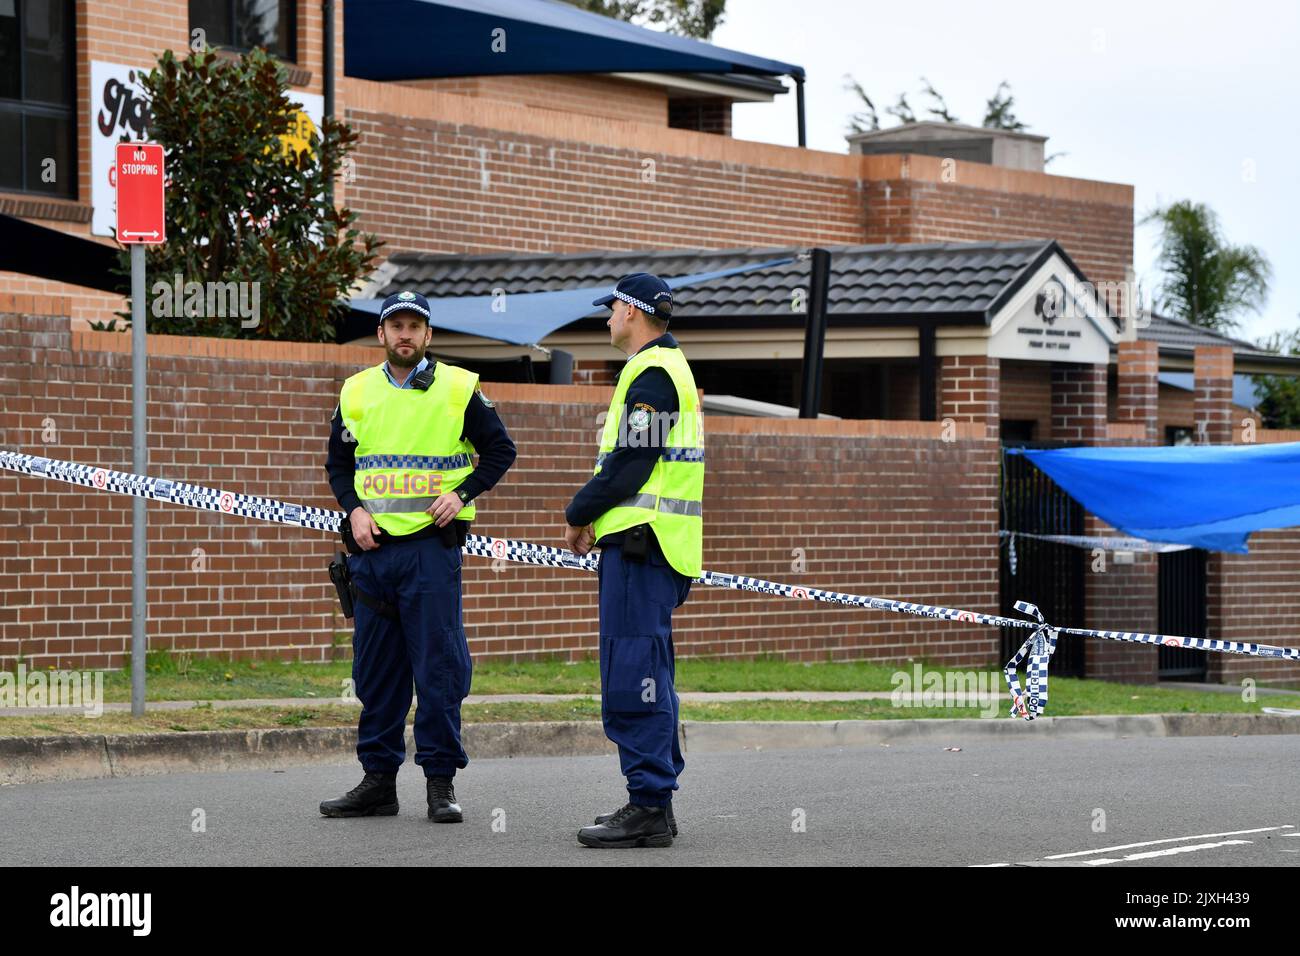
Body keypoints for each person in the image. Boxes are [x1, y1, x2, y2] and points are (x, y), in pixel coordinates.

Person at [319, 290, 517, 823]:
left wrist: (464, 493)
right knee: (377, 675)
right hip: (372, 553)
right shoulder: (356, 391)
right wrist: (354, 509)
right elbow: (338, 463)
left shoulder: (457, 387)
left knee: (438, 671)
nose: (405, 334)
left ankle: (440, 783)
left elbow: (501, 450)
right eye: (396, 325)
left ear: (428, 336)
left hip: (431, 552)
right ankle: (379, 783)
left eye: (415, 326)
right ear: (381, 334)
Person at [564, 273, 704, 849]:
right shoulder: (665, 368)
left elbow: (633, 461)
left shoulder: (652, 373)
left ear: (630, 311)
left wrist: (579, 511)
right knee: (650, 672)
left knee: (634, 673)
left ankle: (647, 803)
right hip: (653, 549)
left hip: (642, 548)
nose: (607, 318)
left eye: (611, 308)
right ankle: (655, 802)